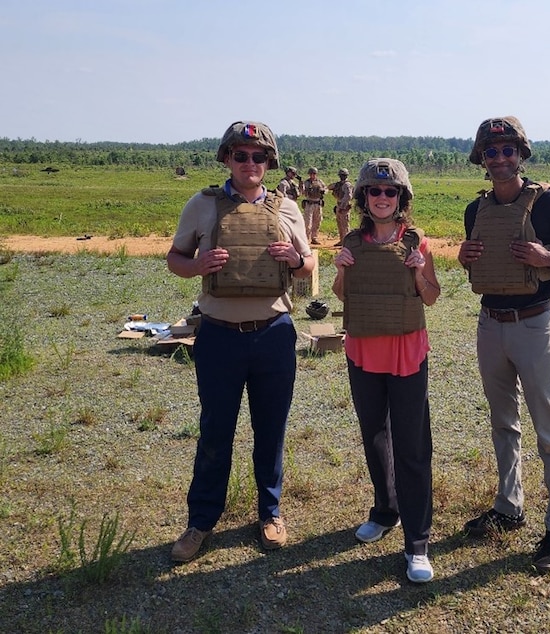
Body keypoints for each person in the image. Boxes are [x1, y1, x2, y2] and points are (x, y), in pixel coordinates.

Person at [166, 120, 315, 562]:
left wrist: (297, 259)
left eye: (259, 157)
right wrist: (198, 266)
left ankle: (270, 513)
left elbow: (308, 266)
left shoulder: (286, 208)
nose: (250, 163)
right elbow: (175, 258)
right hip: (218, 336)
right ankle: (200, 522)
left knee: (271, 431)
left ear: (269, 163)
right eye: (241, 155)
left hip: (273, 334)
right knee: (216, 431)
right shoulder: (203, 204)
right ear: (227, 158)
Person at [457, 116, 550, 574]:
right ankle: (508, 506)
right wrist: (464, 257)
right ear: (481, 159)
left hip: (534, 325)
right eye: (491, 152)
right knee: (503, 424)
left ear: (522, 154)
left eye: (508, 150)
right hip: (490, 324)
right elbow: (479, 262)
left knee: (549, 432)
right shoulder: (475, 210)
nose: (500, 159)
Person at [332, 158, 441, 584]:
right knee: (374, 433)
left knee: (411, 444)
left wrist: (418, 272)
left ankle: (417, 542)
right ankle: (385, 510)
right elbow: (344, 295)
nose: (382, 198)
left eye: (390, 192)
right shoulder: (353, 243)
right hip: (363, 347)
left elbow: (430, 297)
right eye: (374, 192)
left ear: (401, 199)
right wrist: (340, 270)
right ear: (363, 197)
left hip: (406, 351)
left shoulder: (417, 242)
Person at [301, 166, 327, 244]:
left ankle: (314, 238)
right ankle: (306, 238)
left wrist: (324, 191)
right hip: (309, 204)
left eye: (314, 174)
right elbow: (302, 192)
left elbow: (325, 189)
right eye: (311, 174)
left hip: (318, 204)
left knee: (317, 221)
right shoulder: (307, 182)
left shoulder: (320, 182)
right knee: (307, 222)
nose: (313, 175)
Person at [328, 168, 354, 246]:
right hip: (339, 205)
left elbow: (348, 196)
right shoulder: (339, 184)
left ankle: (347, 243)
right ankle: (342, 240)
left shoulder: (347, 185)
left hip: (344, 207)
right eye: (341, 175)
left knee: (345, 225)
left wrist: (342, 206)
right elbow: (329, 187)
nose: (342, 177)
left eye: (343, 175)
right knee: (339, 224)